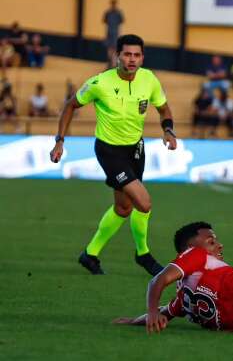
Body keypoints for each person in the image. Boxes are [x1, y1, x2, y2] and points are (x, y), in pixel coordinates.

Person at [49, 34, 177, 276]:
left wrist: (168, 130)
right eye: (127, 54)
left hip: (135, 149)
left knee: (123, 208)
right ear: (116, 55)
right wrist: (60, 141)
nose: (132, 60)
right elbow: (70, 105)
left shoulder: (149, 79)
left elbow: (163, 107)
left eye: (137, 55)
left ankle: (90, 254)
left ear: (142, 57)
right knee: (144, 202)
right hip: (109, 151)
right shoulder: (99, 83)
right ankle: (143, 254)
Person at [103, 0, 124, 68]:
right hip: (109, 33)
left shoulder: (119, 13)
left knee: (115, 50)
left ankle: (114, 65)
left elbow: (121, 23)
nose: (113, 5)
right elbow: (105, 22)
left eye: (114, 3)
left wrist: (120, 34)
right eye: (112, 3)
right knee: (109, 49)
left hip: (116, 34)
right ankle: (109, 64)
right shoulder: (107, 13)